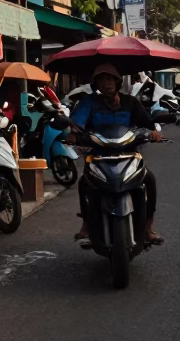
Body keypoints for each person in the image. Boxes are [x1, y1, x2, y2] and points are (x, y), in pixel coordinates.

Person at [69, 62, 163, 243]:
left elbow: (147, 123)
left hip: (128, 153)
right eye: (102, 80)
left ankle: (149, 225)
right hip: (98, 155)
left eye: (110, 79)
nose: (107, 83)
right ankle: (87, 223)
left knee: (149, 179)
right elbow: (78, 120)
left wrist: (153, 132)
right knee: (84, 183)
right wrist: (74, 133)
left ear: (118, 82)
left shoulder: (130, 102)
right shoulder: (88, 102)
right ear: (96, 84)